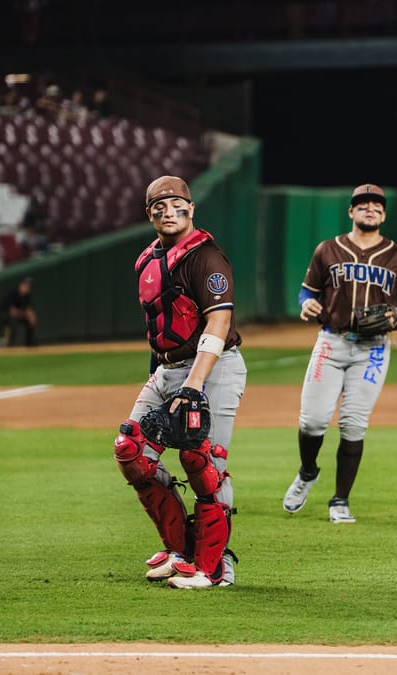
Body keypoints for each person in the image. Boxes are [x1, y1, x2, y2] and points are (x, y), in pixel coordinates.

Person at [112, 175, 246, 589]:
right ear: (148, 213)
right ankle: (180, 550)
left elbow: (218, 322)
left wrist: (194, 385)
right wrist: (161, 377)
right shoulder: (147, 260)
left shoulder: (207, 258)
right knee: (132, 453)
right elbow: (160, 326)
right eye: (159, 206)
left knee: (206, 465)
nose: (168, 212)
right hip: (166, 369)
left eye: (176, 204)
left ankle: (215, 567)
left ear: (191, 208)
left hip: (213, 367)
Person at [281, 184, 397, 524]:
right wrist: (306, 304)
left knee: (353, 424)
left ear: (384, 214)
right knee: (313, 420)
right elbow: (307, 291)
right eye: (362, 205)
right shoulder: (328, 250)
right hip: (331, 342)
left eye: (377, 205)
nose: (370, 209)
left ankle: (340, 500)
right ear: (351, 212)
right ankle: (307, 472)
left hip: (372, 349)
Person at [0, 277, 38, 346]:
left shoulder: (27, 296)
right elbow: (12, 312)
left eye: (29, 287)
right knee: (14, 320)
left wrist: (32, 316)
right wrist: (26, 314)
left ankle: (30, 345)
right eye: (25, 285)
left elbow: (29, 309)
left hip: (18, 314)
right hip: (2, 314)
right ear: (21, 285)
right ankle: (10, 346)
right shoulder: (13, 293)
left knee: (30, 320)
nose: (27, 288)